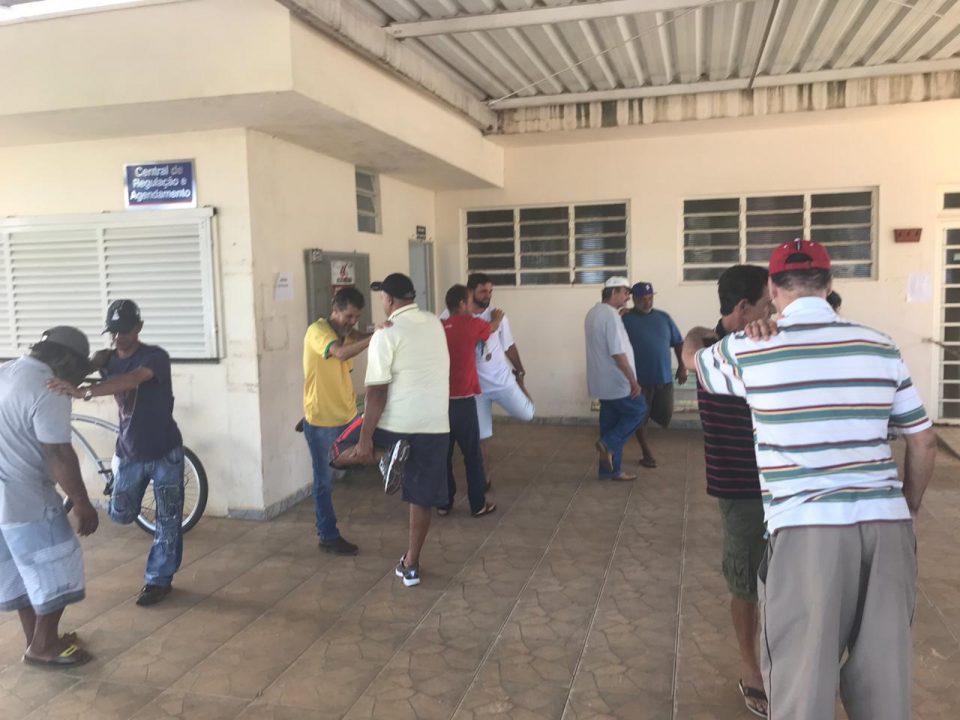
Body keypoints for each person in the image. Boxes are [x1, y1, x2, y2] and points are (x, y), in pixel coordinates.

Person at [686, 240, 937, 720]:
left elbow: (692, 362)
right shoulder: (880, 345)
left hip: (806, 530)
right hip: (886, 528)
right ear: (829, 284)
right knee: (885, 682)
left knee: (802, 681)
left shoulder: (751, 347)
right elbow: (923, 441)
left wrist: (700, 333)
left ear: (773, 289)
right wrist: (909, 508)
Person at [49, 300, 185, 607]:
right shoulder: (107, 358)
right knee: (120, 514)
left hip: (166, 452)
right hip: (128, 452)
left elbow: (132, 379)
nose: (118, 337)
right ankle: (122, 501)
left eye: (124, 330)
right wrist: (81, 369)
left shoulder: (155, 357)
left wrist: (84, 392)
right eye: (113, 332)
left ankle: (159, 579)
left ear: (139, 328)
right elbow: (76, 373)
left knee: (168, 521)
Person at [681, 265, 773, 718]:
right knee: (745, 582)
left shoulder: (749, 342)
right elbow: (695, 346)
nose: (774, 310)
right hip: (742, 488)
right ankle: (750, 667)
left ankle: (783, 658)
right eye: (767, 303)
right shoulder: (714, 354)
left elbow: (694, 338)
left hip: (784, 486)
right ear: (744, 307)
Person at [331, 273, 450, 587]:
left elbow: (376, 392)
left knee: (336, 450)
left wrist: (366, 440)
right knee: (421, 497)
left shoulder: (387, 333)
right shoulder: (435, 323)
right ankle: (411, 564)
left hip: (396, 423)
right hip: (436, 424)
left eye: (382, 297)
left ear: (389, 300)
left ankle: (386, 455)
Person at [1, 327, 99, 667]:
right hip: (27, 498)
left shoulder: (8, 371)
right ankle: (43, 646)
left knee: (23, 570)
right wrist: (82, 503)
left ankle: (37, 638)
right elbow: (58, 453)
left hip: (3, 499)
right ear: (67, 362)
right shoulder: (50, 388)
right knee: (58, 563)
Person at [301, 286, 373, 555]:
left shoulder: (344, 332)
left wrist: (381, 333)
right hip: (322, 421)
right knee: (324, 481)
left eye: (357, 317)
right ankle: (328, 535)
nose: (352, 322)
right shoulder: (318, 331)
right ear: (335, 310)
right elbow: (340, 353)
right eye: (349, 316)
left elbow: (357, 337)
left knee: (363, 456)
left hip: (347, 415)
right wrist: (375, 337)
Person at [465, 273, 535, 478]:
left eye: (490, 291)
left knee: (528, 414)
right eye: (483, 291)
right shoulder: (455, 315)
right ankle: (484, 477)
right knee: (482, 435)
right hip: (476, 387)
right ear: (470, 291)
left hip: (502, 381)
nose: (488, 295)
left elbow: (508, 346)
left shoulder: (498, 317)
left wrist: (519, 371)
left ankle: (519, 387)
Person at [440, 284, 499, 518]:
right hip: (463, 402)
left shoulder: (440, 327)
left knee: (443, 455)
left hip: (440, 403)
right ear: (462, 304)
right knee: (472, 455)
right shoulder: (472, 324)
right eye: (470, 301)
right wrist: (497, 318)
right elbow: (491, 328)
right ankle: (478, 504)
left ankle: (444, 503)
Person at [584, 277, 646, 482]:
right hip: (617, 382)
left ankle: (610, 471)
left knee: (610, 422)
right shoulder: (610, 317)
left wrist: (618, 316)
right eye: (625, 292)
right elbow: (617, 353)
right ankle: (608, 444)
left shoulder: (594, 313)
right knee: (638, 411)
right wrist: (633, 381)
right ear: (613, 292)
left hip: (601, 382)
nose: (628, 297)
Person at [621, 282, 686, 468]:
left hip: (663, 378)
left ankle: (640, 431)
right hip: (638, 381)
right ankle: (646, 452)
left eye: (650, 298)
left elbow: (678, 342)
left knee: (664, 414)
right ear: (634, 299)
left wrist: (682, 366)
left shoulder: (663, 317)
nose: (647, 302)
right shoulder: (625, 320)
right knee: (640, 416)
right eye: (642, 299)